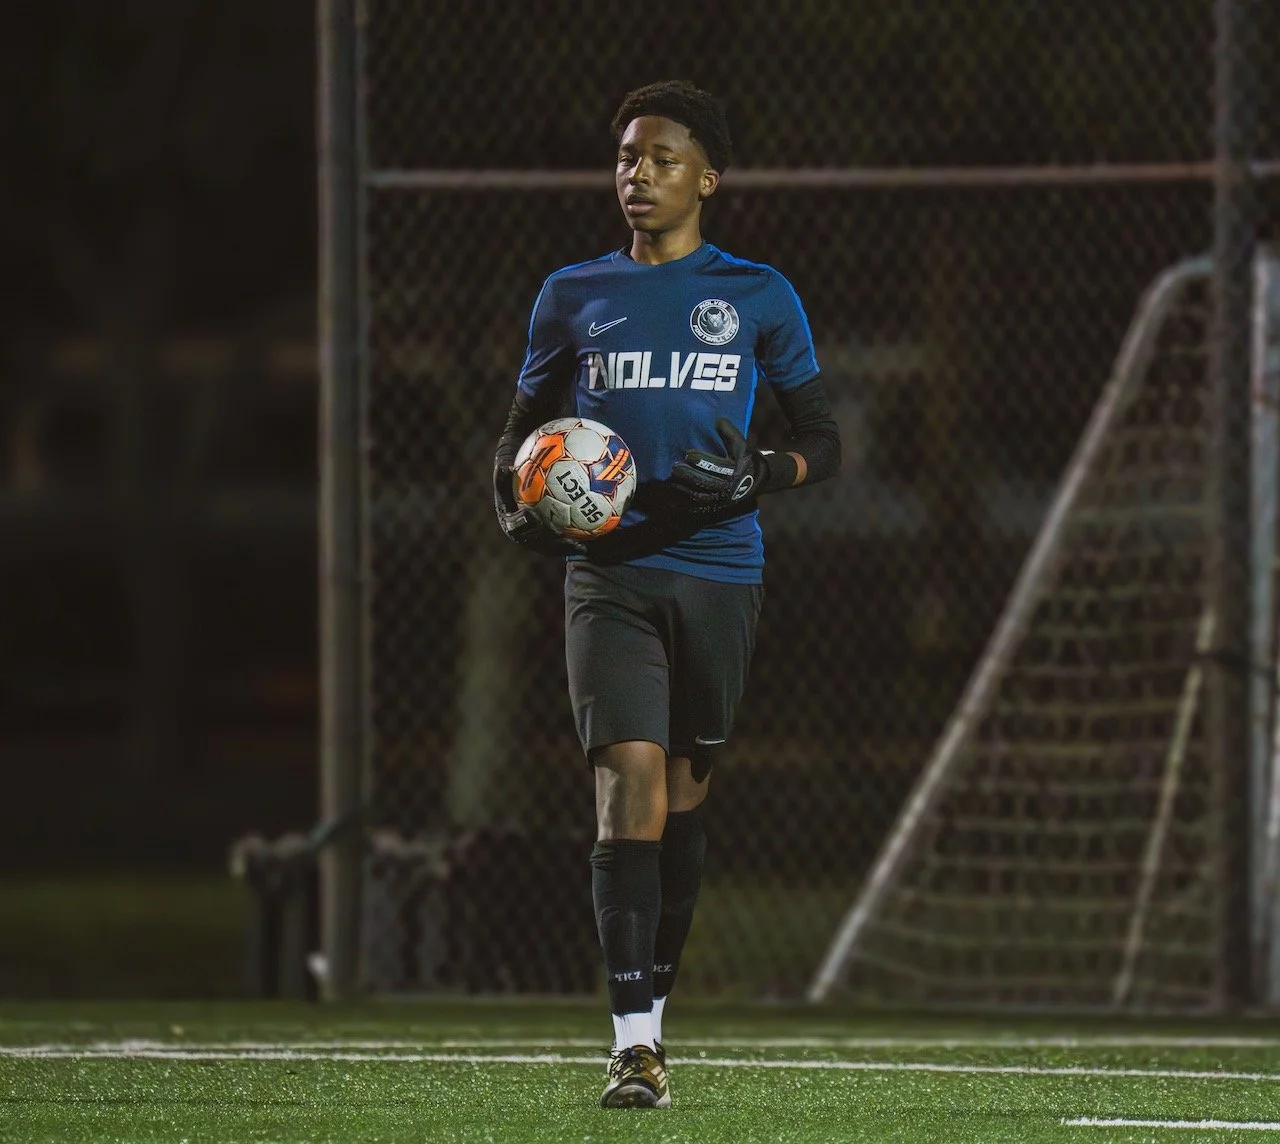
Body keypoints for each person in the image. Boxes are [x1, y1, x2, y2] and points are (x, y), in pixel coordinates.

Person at [491, 79, 841, 1109]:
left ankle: (655, 1002)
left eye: (658, 158)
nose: (634, 175)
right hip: (607, 575)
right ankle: (632, 1042)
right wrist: (514, 502)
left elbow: (823, 438)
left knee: (681, 799)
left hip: (721, 570)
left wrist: (760, 475)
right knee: (626, 780)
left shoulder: (758, 294)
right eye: (625, 158)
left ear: (706, 177)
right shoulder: (572, 293)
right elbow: (516, 435)